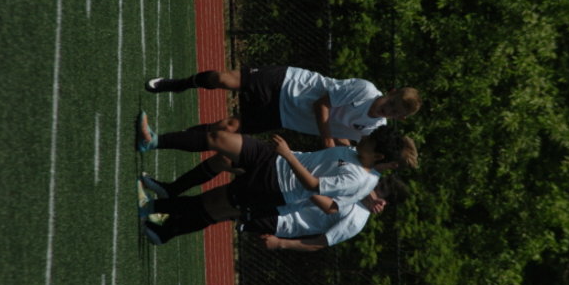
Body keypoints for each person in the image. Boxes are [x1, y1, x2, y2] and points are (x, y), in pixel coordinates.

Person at [136, 111, 414, 223]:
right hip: (273, 159)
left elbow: (314, 186)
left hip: (276, 187)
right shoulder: (357, 153)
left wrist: (289, 156)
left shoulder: (359, 178)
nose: (364, 138)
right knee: (219, 139)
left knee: (211, 203)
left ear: (378, 156)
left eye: (370, 141)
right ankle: (153, 141)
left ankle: (154, 208)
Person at [144, 65, 421, 148]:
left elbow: (348, 142)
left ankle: (172, 139)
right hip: (287, 83)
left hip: (284, 116)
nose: (388, 110)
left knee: (225, 129)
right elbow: (322, 105)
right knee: (223, 79)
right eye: (392, 103)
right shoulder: (365, 89)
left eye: (395, 112)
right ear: (391, 92)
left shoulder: (375, 128)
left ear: (400, 119)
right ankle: (178, 83)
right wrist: (328, 141)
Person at [139, 172, 408, 249]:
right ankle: (165, 224)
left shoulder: (356, 219)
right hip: (282, 201)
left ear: (382, 204)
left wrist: (281, 243)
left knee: (218, 208)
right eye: (381, 182)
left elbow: (321, 242)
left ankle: (159, 213)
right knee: (216, 208)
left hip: (280, 220)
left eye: (381, 189)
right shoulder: (360, 184)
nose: (376, 186)